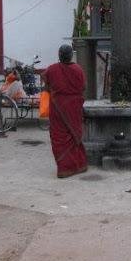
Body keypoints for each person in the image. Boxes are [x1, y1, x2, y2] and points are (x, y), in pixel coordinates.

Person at [42, 44, 88, 178]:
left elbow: (46, 84)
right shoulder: (78, 69)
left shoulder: (52, 69)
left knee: (59, 138)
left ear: (59, 55)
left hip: (58, 108)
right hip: (74, 108)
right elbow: (83, 87)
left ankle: (65, 169)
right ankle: (79, 166)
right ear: (70, 56)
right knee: (74, 136)